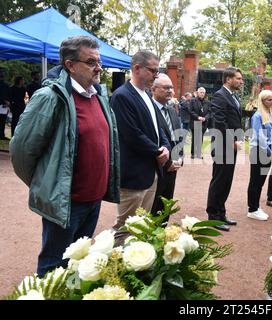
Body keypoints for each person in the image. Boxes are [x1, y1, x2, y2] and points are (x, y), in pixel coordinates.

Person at [10, 36, 120, 277]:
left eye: (99, 62)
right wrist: (47, 184)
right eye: (91, 62)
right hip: (67, 203)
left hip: (93, 201)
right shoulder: (50, 96)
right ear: (70, 65)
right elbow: (21, 150)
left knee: (77, 266)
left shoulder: (99, 95)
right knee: (53, 269)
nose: (98, 68)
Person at [110, 51, 171, 242]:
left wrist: (166, 147)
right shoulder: (122, 96)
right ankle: (117, 265)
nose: (156, 74)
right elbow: (131, 134)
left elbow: (159, 128)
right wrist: (157, 151)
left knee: (143, 224)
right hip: (133, 174)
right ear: (137, 68)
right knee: (126, 226)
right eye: (153, 70)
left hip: (150, 172)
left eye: (157, 70)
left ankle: (138, 266)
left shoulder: (146, 96)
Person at [206, 67, 244, 231]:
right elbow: (220, 123)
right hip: (223, 146)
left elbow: (234, 121)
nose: (241, 81)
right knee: (219, 181)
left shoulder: (232, 96)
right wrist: (232, 141)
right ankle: (213, 217)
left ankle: (221, 214)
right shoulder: (220, 96)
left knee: (226, 181)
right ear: (228, 79)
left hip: (231, 147)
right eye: (238, 78)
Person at [150, 74, 183, 221]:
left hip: (172, 169)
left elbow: (178, 137)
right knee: (153, 208)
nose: (170, 91)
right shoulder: (149, 110)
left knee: (166, 207)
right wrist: (167, 163)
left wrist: (179, 158)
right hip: (157, 168)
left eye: (171, 87)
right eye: (166, 88)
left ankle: (161, 238)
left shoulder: (172, 110)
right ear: (153, 89)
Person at [247, 90, 272, 221]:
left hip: (268, 152)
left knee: (260, 181)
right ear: (262, 101)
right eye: (268, 100)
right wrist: (270, 153)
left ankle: (256, 206)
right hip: (259, 151)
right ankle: (252, 209)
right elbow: (260, 137)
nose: (271, 102)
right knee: (255, 181)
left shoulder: (270, 115)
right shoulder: (257, 116)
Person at [189, 87, 211, 159]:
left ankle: (198, 153)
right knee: (195, 137)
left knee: (200, 138)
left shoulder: (207, 102)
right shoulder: (193, 101)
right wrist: (198, 117)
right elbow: (190, 111)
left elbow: (209, 112)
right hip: (195, 121)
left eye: (203, 92)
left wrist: (205, 118)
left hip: (204, 123)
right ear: (197, 93)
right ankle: (192, 153)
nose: (202, 94)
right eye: (201, 92)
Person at [0, 70, 10, 140]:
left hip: (4, 105)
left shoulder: (6, 85)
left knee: (3, 121)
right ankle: (1, 135)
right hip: (3, 104)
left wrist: (7, 102)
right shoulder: (5, 85)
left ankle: (2, 135)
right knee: (2, 121)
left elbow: (7, 95)